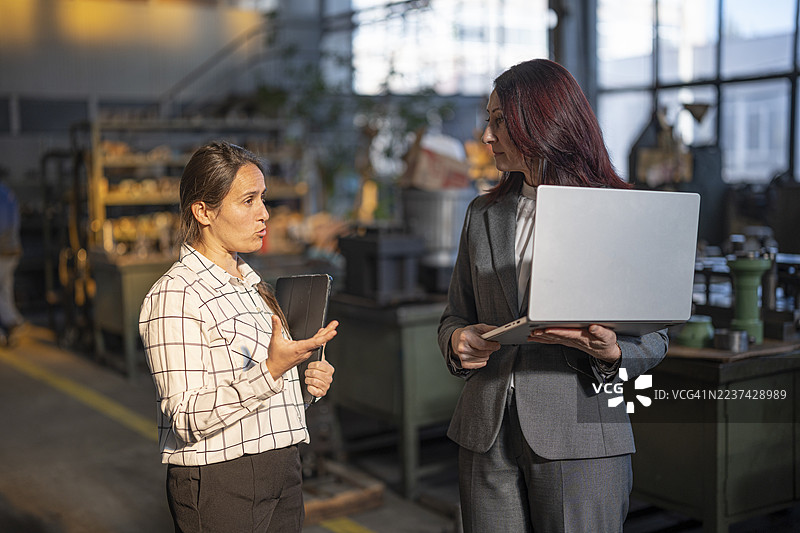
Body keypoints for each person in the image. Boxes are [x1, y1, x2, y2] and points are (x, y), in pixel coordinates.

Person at [438, 59, 668, 533]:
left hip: (581, 429)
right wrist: (458, 342)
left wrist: (615, 352)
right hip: (486, 432)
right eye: (489, 119)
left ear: (540, 120)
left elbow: (657, 331)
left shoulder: (616, 212)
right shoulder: (483, 213)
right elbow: (454, 314)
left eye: (499, 120)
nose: (487, 135)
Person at [139, 141, 338, 533]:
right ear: (203, 211)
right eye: (248, 201)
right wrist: (270, 371)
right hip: (222, 483)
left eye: (262, 199)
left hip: (282, 468)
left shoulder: (251, 284)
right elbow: (187, 416)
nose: (264, 214)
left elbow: (260, 392)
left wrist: (303, 387)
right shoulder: (177, 295)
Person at [0, 173, 24, 345]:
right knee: (5, 288)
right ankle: (12, 321)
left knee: (3, 289)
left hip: (3, 251)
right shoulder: (7, 193)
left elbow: (4, 226)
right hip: (12, 250)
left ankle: (10, 324)